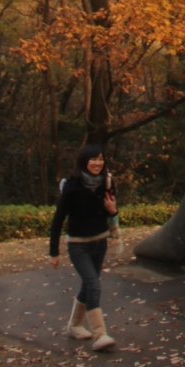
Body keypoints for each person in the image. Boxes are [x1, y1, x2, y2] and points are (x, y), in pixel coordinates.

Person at [49, 144, 121, 350]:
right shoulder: (72, 187)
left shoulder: (106, 183)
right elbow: (58, 220)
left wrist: (113, 211)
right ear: (83, 161)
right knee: (93, 284)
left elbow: (111, 213)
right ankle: (100, 335)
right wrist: (53, 251)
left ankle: (74, 325)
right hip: (78, 245)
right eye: (93, 159)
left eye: (100, 159)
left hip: (100, 242)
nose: (97, 163)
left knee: (88, 284)